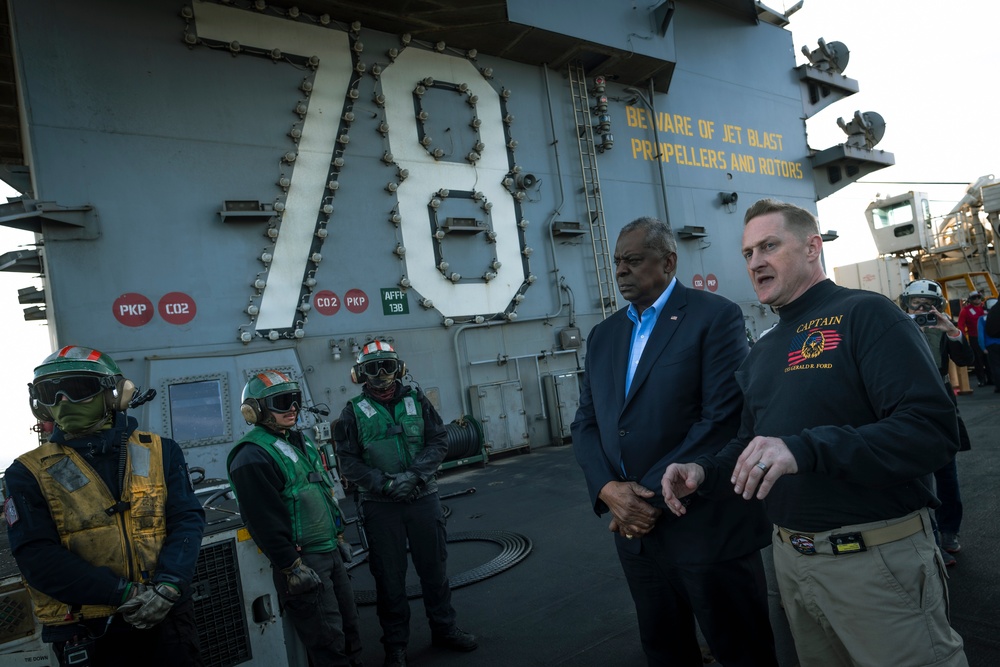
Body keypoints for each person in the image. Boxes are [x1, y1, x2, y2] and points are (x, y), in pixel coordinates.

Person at [661, 199, 968, 666]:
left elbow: (930, 430)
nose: (755, 261)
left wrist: (805, 449)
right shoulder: (763, 351)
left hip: (876, 564)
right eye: (747, 253)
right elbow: (749, 444)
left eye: (769, 245)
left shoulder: (866, 314)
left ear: (811, 247)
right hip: (793, 566)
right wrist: (702, 472)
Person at [571, 217, 777, 667]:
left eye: (634, 260)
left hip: (705, 526)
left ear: (668, 262)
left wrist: (637, 499)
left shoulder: (714, 316)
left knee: (742, 649)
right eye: (617, 262)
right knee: (665, 650)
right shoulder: (603, 336)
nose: (621, 270)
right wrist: (608, 490)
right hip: (636, 537)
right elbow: (586, 423)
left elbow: (722, 418)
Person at [3, 346, 206, 666]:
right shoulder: (27, 473)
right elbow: (37, 556)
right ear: (39, 405)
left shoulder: (161, 452)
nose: (63, 401)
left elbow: (186, 520)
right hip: (87, 631)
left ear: (114, 394)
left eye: (77, 388)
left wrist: (169, 585)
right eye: (49, 393)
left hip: (166, 620)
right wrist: (124, 594)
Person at [335, 341, 477, 667]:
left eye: (387, 365)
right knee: (389, 578)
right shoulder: (352, 412)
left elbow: (438, 440)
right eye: (373, 368)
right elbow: (349, 462)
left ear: (398, 368)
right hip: (380, 506)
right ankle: (396, 646)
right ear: (360, 374)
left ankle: (445, 629)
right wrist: (384, 484)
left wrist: (414, 476)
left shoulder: (418, 402)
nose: (382, 374)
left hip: (422, 498)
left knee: (434, 570)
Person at [227, 370, 363, 667]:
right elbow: (262, 520)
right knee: (328, 641)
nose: (292, 407)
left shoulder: (299, 441)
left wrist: (338, 536)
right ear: (256, 410)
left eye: (295, 399)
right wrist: (290, 565)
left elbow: (322, 492)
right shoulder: (251, 456)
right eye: (281, 401)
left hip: (329, 552)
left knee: (349, 627)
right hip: (303, 562)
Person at [899, 279, 975, 564]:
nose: (921, 310)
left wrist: (953, 331)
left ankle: (948, 532)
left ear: (938, 307)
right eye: (915, 304)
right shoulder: (895, 327)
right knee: (918, 478)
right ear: (905, 304)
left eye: (927, 305)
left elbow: (965, 359)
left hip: (941, 405)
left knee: (947, 476)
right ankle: (929, 538)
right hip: (907, 405)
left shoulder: (943, 329)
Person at [956, 291, 991, 386]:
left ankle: (991, 379)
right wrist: (963, 338)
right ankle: (982, 380)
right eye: (974, 297)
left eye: (978, 297)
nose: (977, 299)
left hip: (988, 337)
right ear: (970, 299)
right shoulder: (965, 310)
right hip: (974, 338)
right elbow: (961, 324)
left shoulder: (986, 308)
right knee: (978, 360)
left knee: (989, 359)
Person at [977, 297, 1000, 393]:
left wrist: (983, 347)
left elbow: (981, 335)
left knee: (996, 367)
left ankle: (998, 386)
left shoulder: (982, 319)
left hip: (991, 345)